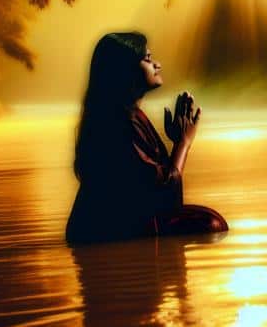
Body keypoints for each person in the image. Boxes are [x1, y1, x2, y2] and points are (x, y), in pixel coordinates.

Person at [66, 32, 227, 244]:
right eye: (147, 59)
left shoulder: (124, 116)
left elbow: (154, 187)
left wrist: (176, 143)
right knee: (211, 225)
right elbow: (164, 194)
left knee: (210, 223)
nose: (157, 65)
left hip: (105, 229)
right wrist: (183, 144)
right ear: (124, 71)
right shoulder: (119, 123)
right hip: (108, 233)